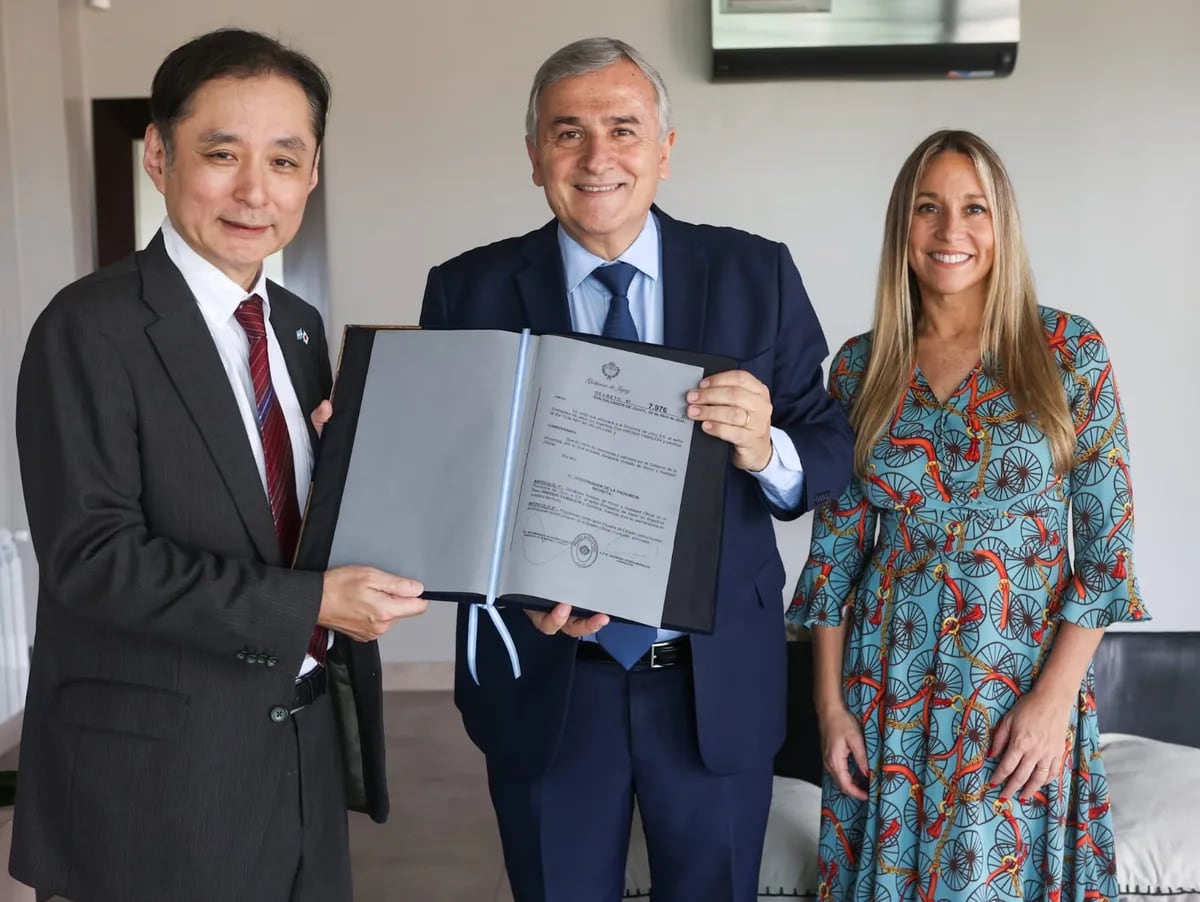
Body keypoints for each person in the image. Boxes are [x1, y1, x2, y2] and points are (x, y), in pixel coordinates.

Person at [420, 36, 853, 902]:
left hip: (714, 682)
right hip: (548, 685)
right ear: (535, 154)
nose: (597, 157)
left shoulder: (753, 271)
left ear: (665, 148)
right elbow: (447, 488)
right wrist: (518, 585)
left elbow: (830, 448)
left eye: (623, 128)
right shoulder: (465, 291)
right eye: (567, 131)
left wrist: (767, 449)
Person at [11, 28, 427, 902]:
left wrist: (355, 475)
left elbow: (280, 514)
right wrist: (313, 602)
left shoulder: (301, 325)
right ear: (159, 155)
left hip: (298, 763)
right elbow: (94, 561)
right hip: (153, 785)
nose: (254, 191)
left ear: (312, 174)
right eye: (221, 154)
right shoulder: (89, 328)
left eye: (284, 160)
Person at [787, 129, 1147, 901]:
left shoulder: (1067, 350)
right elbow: (834, 559)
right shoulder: (861, 363)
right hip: (886, 691)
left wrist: (1053, 702)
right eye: (929, 209)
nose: (951, 232)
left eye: (973, 208)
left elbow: (1107, 553)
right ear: (902, 227)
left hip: (1015, 689)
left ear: (1002, 224)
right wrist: (829, 708)